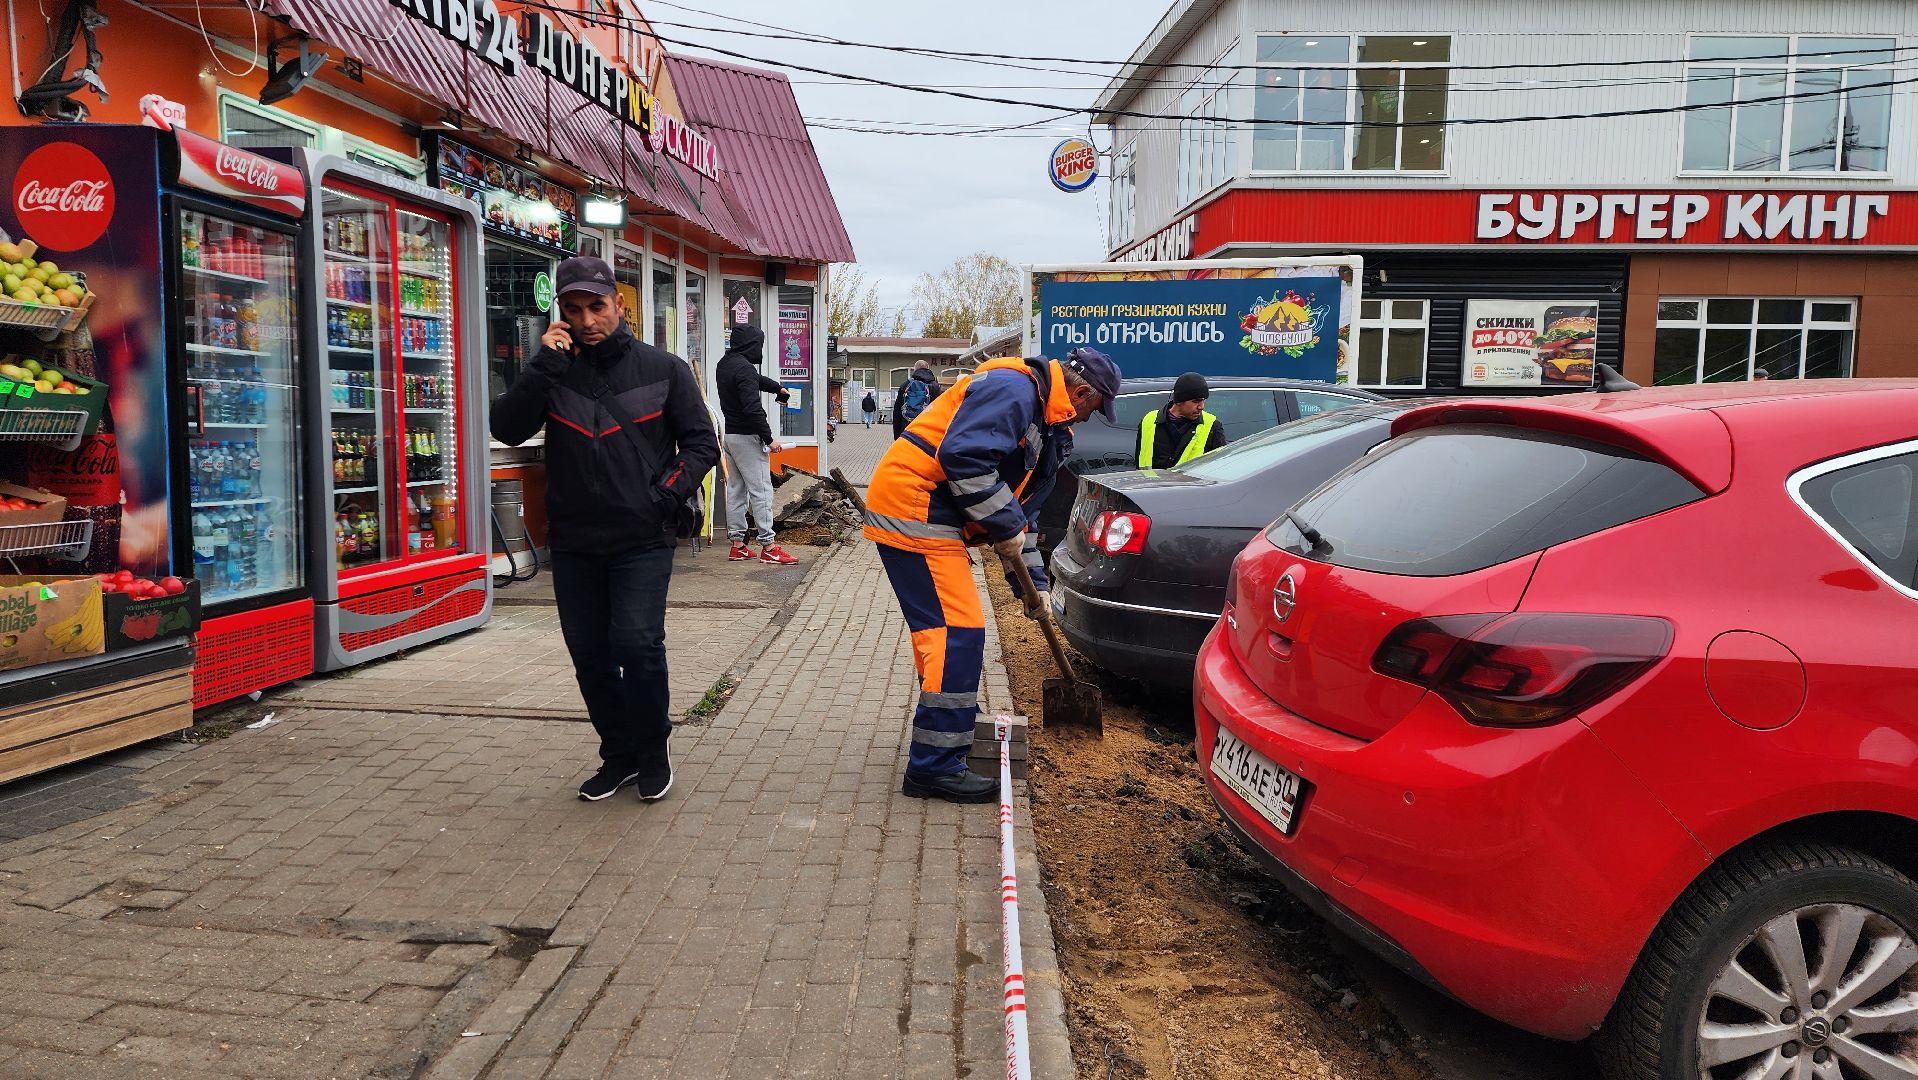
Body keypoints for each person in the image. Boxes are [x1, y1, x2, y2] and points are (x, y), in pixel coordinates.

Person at [491, 255, 718, 803]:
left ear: (619, 304)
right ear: (561, 314)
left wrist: (663, 494)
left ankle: (652, 748)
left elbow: (701, 443)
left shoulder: (664, 369)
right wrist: (543, 366)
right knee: (589, 653)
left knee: (637, 644)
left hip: (641, 538)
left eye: (598, 306)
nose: (589, 319)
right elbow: (508, 427)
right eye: (575, 309)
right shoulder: (554, 369)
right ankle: (618, 755)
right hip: (573, 542)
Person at [865, 347, 1123, 803]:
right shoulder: (1015, 389)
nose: (1088, 419)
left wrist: (1034, 588)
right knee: (956, 632)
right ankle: (934, 765)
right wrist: (1003, 527)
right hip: (915, 506)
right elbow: (965, 458)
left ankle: (951, 716)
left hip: (933, 512)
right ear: (1081, 392)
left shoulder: (1049, 425)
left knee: (944, 633)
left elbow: (1021, 512)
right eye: (1094, 408)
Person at [716, 325, 801, 565]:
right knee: (761, 491)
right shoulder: (744, 368)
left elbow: (755, 379)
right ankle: (769, 547)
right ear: (751, 345)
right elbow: (753, 408)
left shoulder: (726, 364)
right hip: (748, 438)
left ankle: (738, 545)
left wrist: (777, 387)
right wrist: (769, 438)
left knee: (735, 490)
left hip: (730, 437)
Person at [1137, 371, 1226, 469]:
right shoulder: (1148, 421)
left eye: (1203, 400)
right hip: (1153, 484)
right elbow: (1140, 462)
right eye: (1196, 401)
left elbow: (1221, 469)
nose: (1201, 406)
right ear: (1179, 401)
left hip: (1190, 485)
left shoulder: (1212, 426)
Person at [890, 360, 941, 438]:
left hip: (908, 429)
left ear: (915, 370)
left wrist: (897, 435)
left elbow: (897, 411)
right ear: (928, 369)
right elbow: (939, 411)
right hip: (927, 430)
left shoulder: (905, 385)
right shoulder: (935, 386)